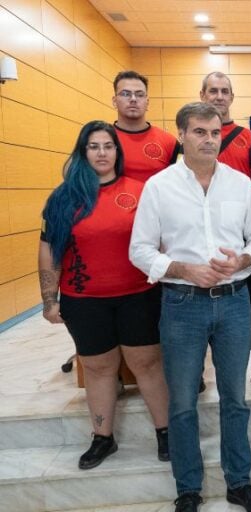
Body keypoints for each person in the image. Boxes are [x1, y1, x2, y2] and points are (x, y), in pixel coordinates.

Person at [129, 103, 251, 512]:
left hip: (234, 303)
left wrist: (241, 260)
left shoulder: (240, 184)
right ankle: (188, 488)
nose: (209, 140)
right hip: (182, 305)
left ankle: (239, 482)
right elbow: (140, 249)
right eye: (199, 132)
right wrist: (183, 269)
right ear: (182, 135)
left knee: (235, 398)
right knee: (181, 403)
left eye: (214, 133)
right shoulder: (159, 186)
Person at [38, 121, 170, 470]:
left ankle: (166, 432)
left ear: (117, 152)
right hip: (84, 301)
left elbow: (162, 242)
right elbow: (49, 250)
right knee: (98, 368)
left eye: (108, 146)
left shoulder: (142, 191)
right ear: (82, 152)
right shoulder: (63, 198)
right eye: (93, 146)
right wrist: (49, 299)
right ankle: (102, 437)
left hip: (140, 296)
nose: (101, 153)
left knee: (148, 364)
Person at [199, 71, 251, 392]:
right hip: (200, 236)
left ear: (232, 97)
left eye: (224, 91)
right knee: (199, 304)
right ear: (203, 95)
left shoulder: (246, 137)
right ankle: (197, 371)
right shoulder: (191, 136)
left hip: (241, 237)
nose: (219, 96)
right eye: (213, 90)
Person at [112, 71, 180, 183]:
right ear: (114, 101)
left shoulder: (169, 142)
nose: (133, 99)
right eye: (125, 94)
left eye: (139, 94)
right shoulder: (102, 141)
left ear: (147, 102)